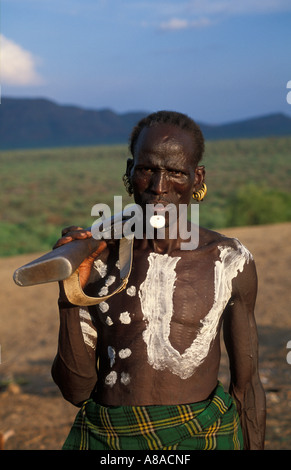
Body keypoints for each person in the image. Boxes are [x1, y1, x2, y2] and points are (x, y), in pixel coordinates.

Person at [51, 110, 266, 450]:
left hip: (203, 436)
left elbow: (247, 385)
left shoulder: (228, 261)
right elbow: (76, 390)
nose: (158, 187)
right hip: (109, 440)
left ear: (197, 179)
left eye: (176, 173)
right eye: (147, 169)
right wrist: (70, 288)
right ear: (129, 172)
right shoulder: (100, 260)